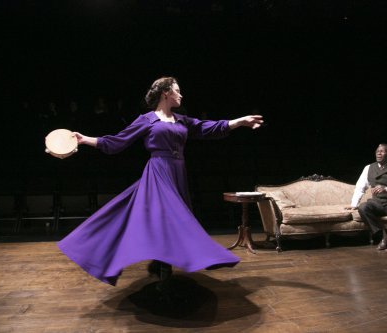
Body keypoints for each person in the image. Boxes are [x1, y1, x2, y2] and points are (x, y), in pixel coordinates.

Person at [57, 77, 263, 286]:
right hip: (158, 171)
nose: (181, 95)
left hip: (178, 172)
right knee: (168, 217)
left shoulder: (181, 120)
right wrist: (85, 139)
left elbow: (208, 128)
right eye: (177, 90)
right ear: (166, 93)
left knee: (171, 220)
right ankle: (167, 272)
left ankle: (162, 263)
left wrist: (239, 122)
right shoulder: (147, 119)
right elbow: (117, 142)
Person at [345, 143, 387, 250]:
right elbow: (360, 187)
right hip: (377, 203)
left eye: (382, 151)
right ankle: (384, 237)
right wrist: (354, 204)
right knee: (363, 207)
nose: (379, 153)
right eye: (377, 151)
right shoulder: (369, 168)